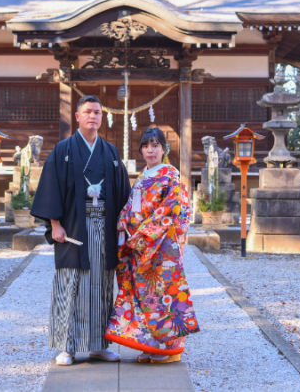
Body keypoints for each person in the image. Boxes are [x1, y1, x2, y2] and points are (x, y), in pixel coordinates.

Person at [31, 95, 131, 366]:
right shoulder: (63, 149)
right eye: (87, 112)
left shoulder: (110, 151)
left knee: (100, 287)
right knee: (70, 285)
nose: (93, 116)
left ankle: (99, 345)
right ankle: (68, 347)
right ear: (77, 116)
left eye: (97, 112)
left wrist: (124, 220)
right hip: (73, 228)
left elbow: (123, 191)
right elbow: (50, 187)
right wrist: (54, 224)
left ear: (101, 117)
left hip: (103, 228)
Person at [105, 127, 199, 363]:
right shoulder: (143, 177)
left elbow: (171, 209)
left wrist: (143, 233)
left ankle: (171, 348)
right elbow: (130, 206)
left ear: (164, 149)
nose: (150, 150)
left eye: (155, 145)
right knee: (144, 297)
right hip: (140, 246)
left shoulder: (171, 175)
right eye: (146, 146)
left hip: (160, 246)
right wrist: (122, 221)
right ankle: (152, 345)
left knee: (163, 295)